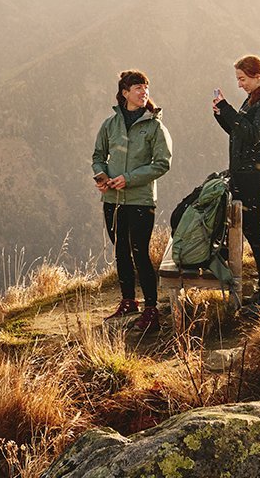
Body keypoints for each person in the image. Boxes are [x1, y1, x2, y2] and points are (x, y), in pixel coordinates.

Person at [91, 70, 173, 332]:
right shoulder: (110, 125)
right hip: (112, 199)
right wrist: (102, 177)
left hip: (140, 199)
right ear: (124, 93)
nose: (143, 92)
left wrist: (128, 178)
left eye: (145, 88)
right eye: (137, 88)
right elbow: (97, 155)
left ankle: (151, 309)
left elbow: (162, 164)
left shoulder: (155, 126)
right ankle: (128, 301)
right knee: (120, 252)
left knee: (139, 251)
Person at [212, 54, 260, 315]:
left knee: (256, 232)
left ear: (258, 75)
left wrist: (229, 111)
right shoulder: (255, 98)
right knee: (246, 230)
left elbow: (254, 135)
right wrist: (222, 115)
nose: (240, 84)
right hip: (243, 171)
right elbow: (239, 132)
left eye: (243, 79)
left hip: (255, 173)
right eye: (238, 79)